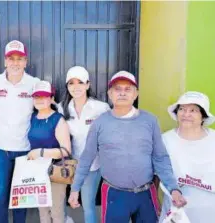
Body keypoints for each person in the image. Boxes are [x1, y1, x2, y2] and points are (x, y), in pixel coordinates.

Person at [68, 71, 187, 223]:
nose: (122, 93)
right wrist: (75, 188)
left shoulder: (150, 121)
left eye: (128, 89)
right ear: (110, 94)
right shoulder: (99, 123)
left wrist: (173, 188)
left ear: (136, 94)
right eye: (117, 89)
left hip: (146, 194)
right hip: (114, 194)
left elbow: (160, 158)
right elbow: (86, 158)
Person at [0, 40, 40, 223]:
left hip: (25, 149)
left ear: (26, 61)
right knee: (0, 194)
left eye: (20, 58)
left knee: (21, 197)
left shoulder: (34, 83)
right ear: (5, 61)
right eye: (11, 58)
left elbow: (47, 107)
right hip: (0, 148)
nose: (15, 63)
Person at [57, 66, 110, 223]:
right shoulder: (62, 108)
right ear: (67, 87)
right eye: (71, 83)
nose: (76, 87)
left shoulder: (101, 108)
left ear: (88, 85)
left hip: (93, 165)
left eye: (80, 82)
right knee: (64, 202)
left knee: (87, 205)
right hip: (70, 164)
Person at [159, 91, 215, 222]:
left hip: (209, 212)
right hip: (175, 211)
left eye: (193, 110)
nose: (186, 114)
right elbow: (158, 174)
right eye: (182, 109)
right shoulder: (165, 139)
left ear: (203, 116)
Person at [27, 80, 71, 223]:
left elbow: (66, 150)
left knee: (56, 212)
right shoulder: (32, 118)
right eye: (36, 96)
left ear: (52, 99)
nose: (39, 100)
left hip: (55, 171)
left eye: (44, 96)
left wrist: (40, 152)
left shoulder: (58, 119)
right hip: (37, 172)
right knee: (43, 212)